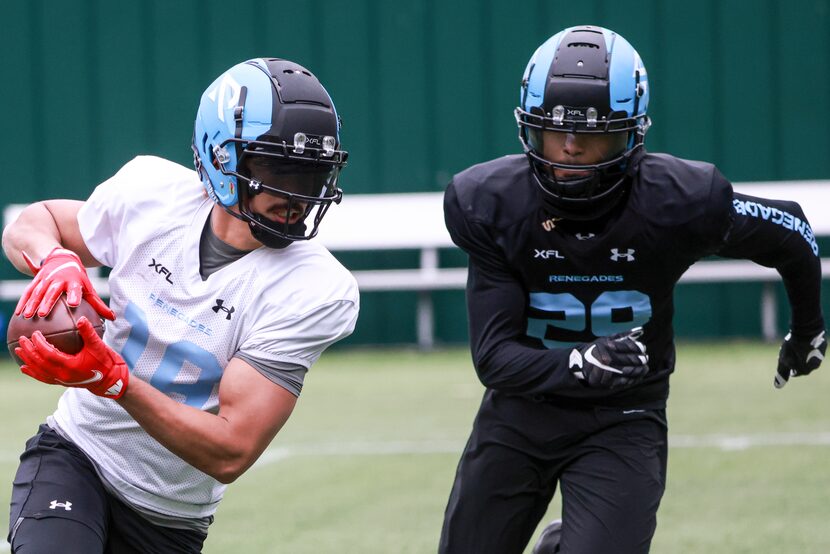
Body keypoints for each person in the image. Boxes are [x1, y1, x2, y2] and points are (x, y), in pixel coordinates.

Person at [439, 25, 826, 554]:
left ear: (631, 133)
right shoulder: (490, 204)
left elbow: (794, 232)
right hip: (521, 409)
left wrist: (807, 330)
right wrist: (579, 361)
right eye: (554, 130)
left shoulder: (678, 200)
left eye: (592, 132)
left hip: (623, 414)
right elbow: (494, 358)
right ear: (528, 129)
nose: (571, 147)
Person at [3, 57, 359, 553]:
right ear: (220, 159)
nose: (297, 197)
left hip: (169, 517)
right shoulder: (153, 196)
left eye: (311, 174)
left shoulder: (313, 288)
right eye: (280, 169)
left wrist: (115, 381)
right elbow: (32, 222)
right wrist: (56, 259)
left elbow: (230, 450)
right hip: (77, 455)